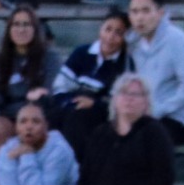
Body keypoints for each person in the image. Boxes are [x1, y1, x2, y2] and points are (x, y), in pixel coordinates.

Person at [0, 6, 62, 165]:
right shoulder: (1, 58)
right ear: (9, 29)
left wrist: (41, 95)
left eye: (26, 24)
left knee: (30, 124)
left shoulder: (50, 57)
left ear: (35, 28)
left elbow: (52, 93)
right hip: (9, 114)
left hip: (39, 114)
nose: (21, 29)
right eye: (16, 24)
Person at [123, 0, 184, 145]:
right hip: (146, 118)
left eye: (146, 11)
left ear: (160, 13)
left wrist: (160, 109)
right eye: (134, 12)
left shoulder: (175, 39)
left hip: (177, 121)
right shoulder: (133, 43)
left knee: (139, 142)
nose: (139, 18)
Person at [49, 9, 129, 152]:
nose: (111, 37)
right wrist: (74, 101)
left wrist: (94, 103)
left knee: (78, 119)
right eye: (108, 29)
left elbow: (116, 102)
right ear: (101, 29)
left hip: (100, 113)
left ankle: (77, 169)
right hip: (71, 104)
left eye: (118, 33)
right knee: (47, 114)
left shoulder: (124, 63)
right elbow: (61, 87)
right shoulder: (82, 53)